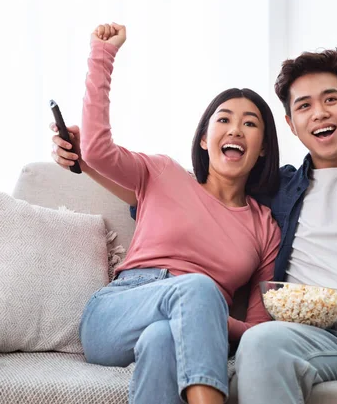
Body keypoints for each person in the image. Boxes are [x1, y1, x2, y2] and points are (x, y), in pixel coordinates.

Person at [53, 44, 337, 403]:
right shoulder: (276, 191)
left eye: (331, 100)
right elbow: (184, 201)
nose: (319, 113)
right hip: (305, 333)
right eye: (305, 106)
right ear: (291, 125)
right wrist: (84, 162)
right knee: (261, 344)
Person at [54, 23, 281, 404]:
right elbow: (95, 150)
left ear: (262, 149)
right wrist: (102, 56)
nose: (236, 129)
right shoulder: (162, 173)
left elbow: (257, 331)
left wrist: (204, 318)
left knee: (162, 340)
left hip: (180, 326)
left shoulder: (265, 227)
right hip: (118, 311)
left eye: (250, 123)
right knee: (199, 287)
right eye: (224, 119)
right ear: (205, 139)